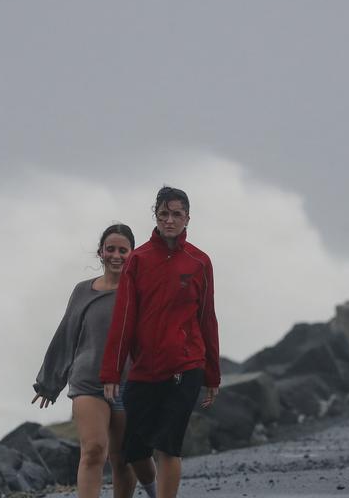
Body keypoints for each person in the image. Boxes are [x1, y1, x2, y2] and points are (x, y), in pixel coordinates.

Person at [101, 186, 220, 498]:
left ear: (187, 219)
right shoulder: (137, 260)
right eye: (164, 214)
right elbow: (123, 320)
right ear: (155, 216)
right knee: (135, 450)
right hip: (144, 370)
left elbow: (207, 318)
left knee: (169, 445)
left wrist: (212, 374)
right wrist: (112, 373)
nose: (170, 220)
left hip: (185, 367)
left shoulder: (199, 262)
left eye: (176, 214)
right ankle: (152, 489)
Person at [33, 224, 156, 498]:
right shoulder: (82, 291)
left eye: (122, 250)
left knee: (123, 457)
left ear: (132, 254)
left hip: (128, 384)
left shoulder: (141, 292)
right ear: (100, 252)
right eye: (110, 249)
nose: (116, 255)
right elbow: (66, 335)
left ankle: (153, 490)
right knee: (92, 451)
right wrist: (49, 382)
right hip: (88, 381)